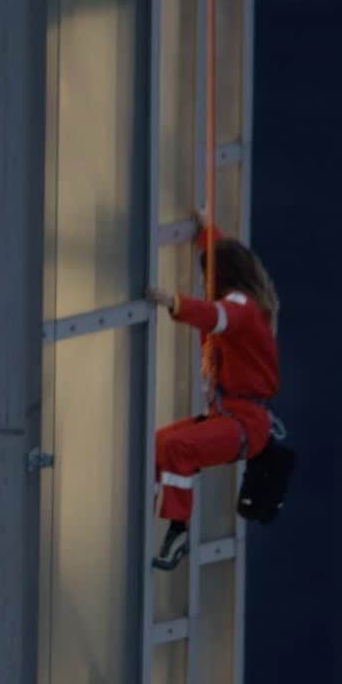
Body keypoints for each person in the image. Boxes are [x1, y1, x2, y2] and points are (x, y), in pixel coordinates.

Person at [147, 219, 281, 570]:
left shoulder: (241, 308)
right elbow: (221, 253)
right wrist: (206, 226)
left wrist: (170, 301)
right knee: (156, 445)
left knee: (178, 448)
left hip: (243, 423)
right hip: (233, 417)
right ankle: (150, 513)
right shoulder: (248, 305)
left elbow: (217, 315)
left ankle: (177, 529)